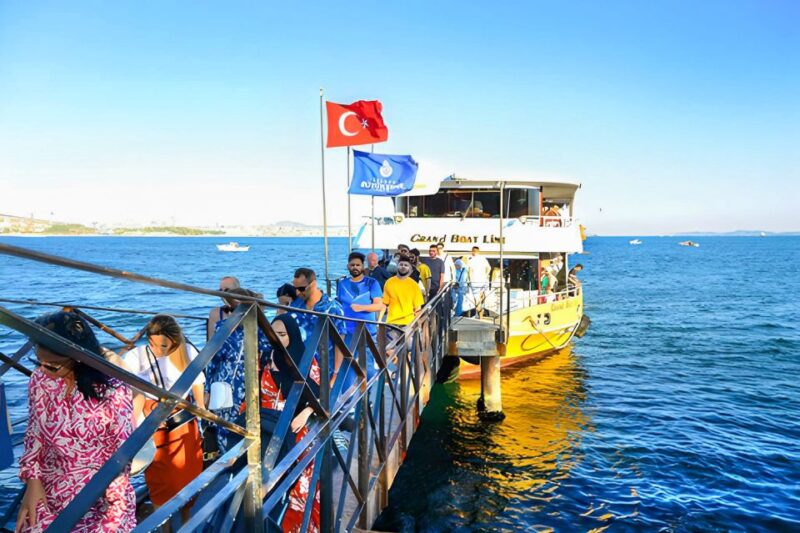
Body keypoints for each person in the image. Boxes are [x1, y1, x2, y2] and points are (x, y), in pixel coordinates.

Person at [17, 311, 135, 533]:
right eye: (39, 362)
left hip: (101, 491)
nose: (43, 370)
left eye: (52, 365)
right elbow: (35, 434)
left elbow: (122, 454)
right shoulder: (40, 380)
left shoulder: (114, 389)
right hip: (50, 486)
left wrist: (110, 508)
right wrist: (32, 482)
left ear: (78, 358)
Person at [121, 315, 204, 519]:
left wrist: (201, 408)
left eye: (165, 345)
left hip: (182, 421)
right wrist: (130, 426)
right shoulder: (135, 357)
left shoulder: (186, 351)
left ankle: (186, 520)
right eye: (155, 344)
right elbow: (130, 393)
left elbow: (197, 382)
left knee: (188, 475)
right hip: (152, 422)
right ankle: (163, 524)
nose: (160, 350)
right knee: (160, 481)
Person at [256, 315, 320, 532]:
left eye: (282, 335)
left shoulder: (305, 359)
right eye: (272, 334)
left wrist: (306, 413)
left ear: (292, 334)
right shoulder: (266, 358)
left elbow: (321, 394)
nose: (276, 339)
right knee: (268, 488)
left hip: (296, 432)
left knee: (298, 489)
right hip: (267, 431)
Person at [205, 287, 271, 452]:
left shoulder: (260, 328)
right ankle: (228, 459)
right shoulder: (221, 327)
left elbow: (267, 354)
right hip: (224, 380)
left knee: (247, 422)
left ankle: (247, 461)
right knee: (224, 423)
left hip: (249, 380)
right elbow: (214, 359)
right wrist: (207, 389)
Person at [336, 252, 385, 385]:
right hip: (346, 330)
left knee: (367, 364)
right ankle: (347, 398)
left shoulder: (372, 283)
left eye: (358, 265)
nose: (355, 267)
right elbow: (339, 304)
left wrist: (361, 307)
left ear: (363, 266)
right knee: (346, 363)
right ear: (348, 266)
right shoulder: (342, 284)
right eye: (352, 265)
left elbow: (379, 306)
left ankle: (367, 395)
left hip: (367, 330)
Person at [290, 268, 347, 380]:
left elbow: (340, 344)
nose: (298, 292)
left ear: (313, 284)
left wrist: (335, 375)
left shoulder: (332, 308)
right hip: (300, 369)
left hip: (325, 370)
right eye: (295, 288)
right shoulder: (295, 305)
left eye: (301, 289)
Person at [382, 255, 424, 326]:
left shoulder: (414, 285)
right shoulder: (389, 282)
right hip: (391, 322)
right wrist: (380, 321)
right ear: (397, 266)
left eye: (406, 265)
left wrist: (416, 324)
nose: (403, 266)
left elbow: (418, 308)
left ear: (410, 269)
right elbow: (384, 303)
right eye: (401, 264)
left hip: (408, 323)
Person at [207, 276, 241, 340]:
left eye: (226, 290)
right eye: (220, 291)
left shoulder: (247, 311)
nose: (223, 294)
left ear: (238, 291)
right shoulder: (215, 314)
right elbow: (210, 341)